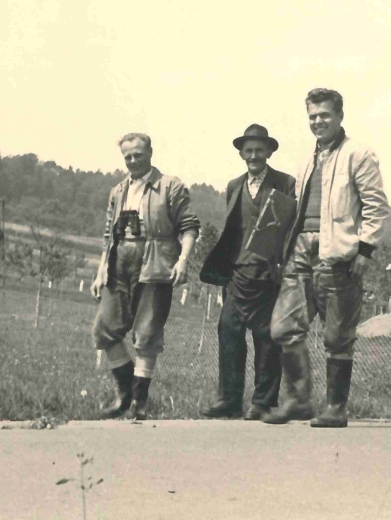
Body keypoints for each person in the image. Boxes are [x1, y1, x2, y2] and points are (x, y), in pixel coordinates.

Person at [266, 87, 389, 428]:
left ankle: (335, 407)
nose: (318, 122)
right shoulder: (307, 160)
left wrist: (365, 250)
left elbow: (377, 207)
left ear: (339, 117)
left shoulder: (359, 154)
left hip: (337, 252)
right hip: (300, 250)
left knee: (337, 336)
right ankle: (299, 400)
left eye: (325, 115)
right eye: (313, 117)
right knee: (283, 327)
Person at [90, 133, 200, 421]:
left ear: (150, 152)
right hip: (119, 263)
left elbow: (189, 226)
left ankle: (139, 402)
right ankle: (124, 394)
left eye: (138, 154)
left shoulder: (170, 186)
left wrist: (183, 260)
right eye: (127, 156)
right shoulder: (118, 191)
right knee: (104, 329)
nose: (133, 160)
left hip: (155, 263)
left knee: (147, 334)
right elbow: (107, 235)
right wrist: (102, 268)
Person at [199, 125, 297, 420]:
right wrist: (224, 274)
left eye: (259, 150)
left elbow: (290, 228)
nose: (253, 155)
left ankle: (263, 401)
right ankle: (229, 400)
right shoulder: (234, 185)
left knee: (267, 337)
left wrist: (284, 265)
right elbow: (233, 231)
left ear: (269, 152)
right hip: (237, 273)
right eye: (248, 150)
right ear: (241, 153)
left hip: (269, 274)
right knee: (228, 330)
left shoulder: (286, 183)